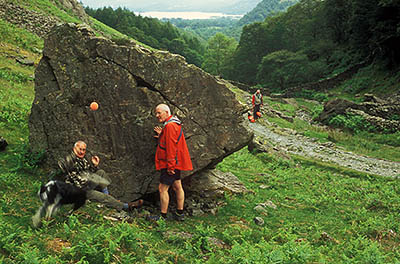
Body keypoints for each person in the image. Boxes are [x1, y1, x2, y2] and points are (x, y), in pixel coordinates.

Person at [58, 140, 143, 212]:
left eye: (84, 150)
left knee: (100, 172)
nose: (82, 152)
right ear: (74, 148)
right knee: (102, 196)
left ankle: (108, 197)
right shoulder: (69, 160)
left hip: (85, 185)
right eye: (80, 149)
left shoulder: (82, 160)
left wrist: (95, 165)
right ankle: (126, 206)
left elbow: (89, 172)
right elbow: (66, 170)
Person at [149, 104, 193, 221]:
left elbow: (171, 147)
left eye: (159, 113)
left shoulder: (170, 126)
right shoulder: (172, 124)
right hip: (175, 162)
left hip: (170, 163)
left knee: (162, 189)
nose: (157, 116)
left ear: (167, 112)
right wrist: (162, 136)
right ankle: (180, 213)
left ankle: (162, 216)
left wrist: (170, 166)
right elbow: (171, 141)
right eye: (156, 113)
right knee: (177, 186)